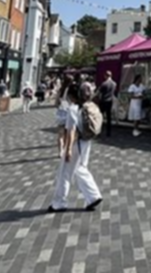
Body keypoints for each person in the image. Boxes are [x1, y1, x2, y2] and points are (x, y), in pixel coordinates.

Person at [47, 83, 103, 213]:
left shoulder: (73, 109)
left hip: (76, 143)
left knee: (65, 173)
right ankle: (93, 196)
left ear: (72, 96)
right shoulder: (88, 106)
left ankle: (59, 202)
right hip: (86, 141)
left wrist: (68, 150)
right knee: (80, 169)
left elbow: (71, 131)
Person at [55, 75, 75, 153]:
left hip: (61, 112)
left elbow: (56, 103)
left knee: (60, 134)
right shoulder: (71, 90)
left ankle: (60, 151)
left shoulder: (61, 90)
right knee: (68, 132)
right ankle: (66, 148)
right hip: (70, 112)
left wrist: (61, 105)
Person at [96, 71, 117, 137]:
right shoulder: (114, 84)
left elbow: (98, 92)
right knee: (108, 117)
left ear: (106, 75)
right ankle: (108, 132)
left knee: (100, 116)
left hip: (103, 101)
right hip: (110, 101)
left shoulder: (104, 84)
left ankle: (98, 131)